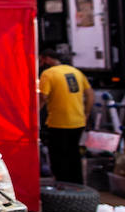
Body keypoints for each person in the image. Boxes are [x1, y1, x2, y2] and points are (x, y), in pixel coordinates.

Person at [39, 46, 94, 184]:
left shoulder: (48, 74)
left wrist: (34, 116)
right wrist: (86, 113)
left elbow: (43, 98)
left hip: (58, 122)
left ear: (46, 59)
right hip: (78, 121)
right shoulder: (76, 71)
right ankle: (77, 184)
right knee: (74, 153)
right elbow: (90, 94)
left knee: (58, 156)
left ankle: (62, 185)